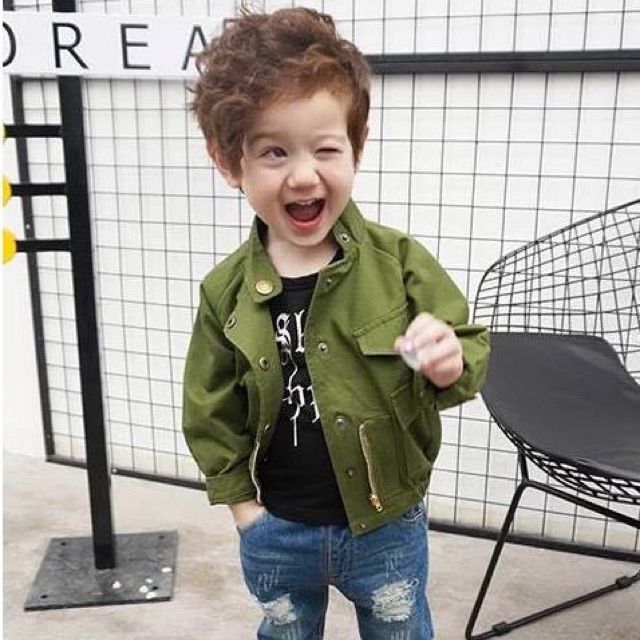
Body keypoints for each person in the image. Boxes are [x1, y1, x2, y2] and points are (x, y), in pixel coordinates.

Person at [183, 7, 490, 639]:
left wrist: (448, 361)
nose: (304, 175)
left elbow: (466, 347)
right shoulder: (224, 292)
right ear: (228, 161)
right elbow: (209, 409)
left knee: (400, 630)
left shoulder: (398, 263)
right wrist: (243, 509)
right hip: (278, 529)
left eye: (325, 148)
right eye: (273, 151)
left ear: (358, 145)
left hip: (387, 524)